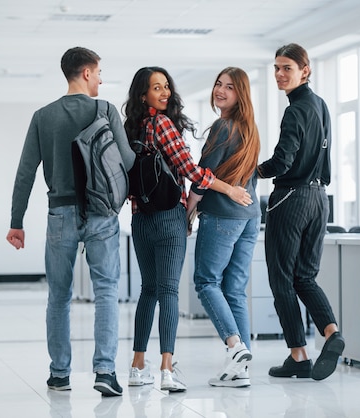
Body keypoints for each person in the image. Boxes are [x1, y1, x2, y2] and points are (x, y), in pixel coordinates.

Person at [6, 46, 135, 397]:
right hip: (102, 213)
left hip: (60, 212)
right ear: (88, 73)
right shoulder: (105, 109)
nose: (101, 79)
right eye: (99, 72)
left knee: (59, 296)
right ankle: (105, 372)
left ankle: (60, 374)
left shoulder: (43, 116)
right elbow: (125, 160)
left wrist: (16, 221)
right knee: (107, 291)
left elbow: (24, 174)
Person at [123, 66, 253, 393]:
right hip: (169, 217)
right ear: (144, 95)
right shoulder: (163, 124)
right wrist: (230, 190)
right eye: (157, 88)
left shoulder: (130, 128)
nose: (165, 92)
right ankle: (167, 369)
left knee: (148, 290)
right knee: (168, 292)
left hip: (140, 219)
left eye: (166, 86)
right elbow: (191, 170)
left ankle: (138, 366)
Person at [257, 43, 345, 381]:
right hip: (319, 199)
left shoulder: (295, 110)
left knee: (281, 279)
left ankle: (298, 355)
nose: (280, 75)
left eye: (287, 68)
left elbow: (283, 160)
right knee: (304, 276)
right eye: (276, 68)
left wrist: (253, 170)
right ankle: (331, 333)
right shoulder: (320, 105)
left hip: (290, 198)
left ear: (304, 71)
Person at [186, 67, 261, 388]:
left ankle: (235, 346)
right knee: (233, 290)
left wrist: (189, 209)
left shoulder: (223, 127)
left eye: (229, 87)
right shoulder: (250, 129)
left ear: (239, 94)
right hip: (250, 215)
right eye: (218, 84)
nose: (221, 90)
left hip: (224, 216)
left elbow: (203, 174)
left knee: (205, 282)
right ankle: (240, 369)